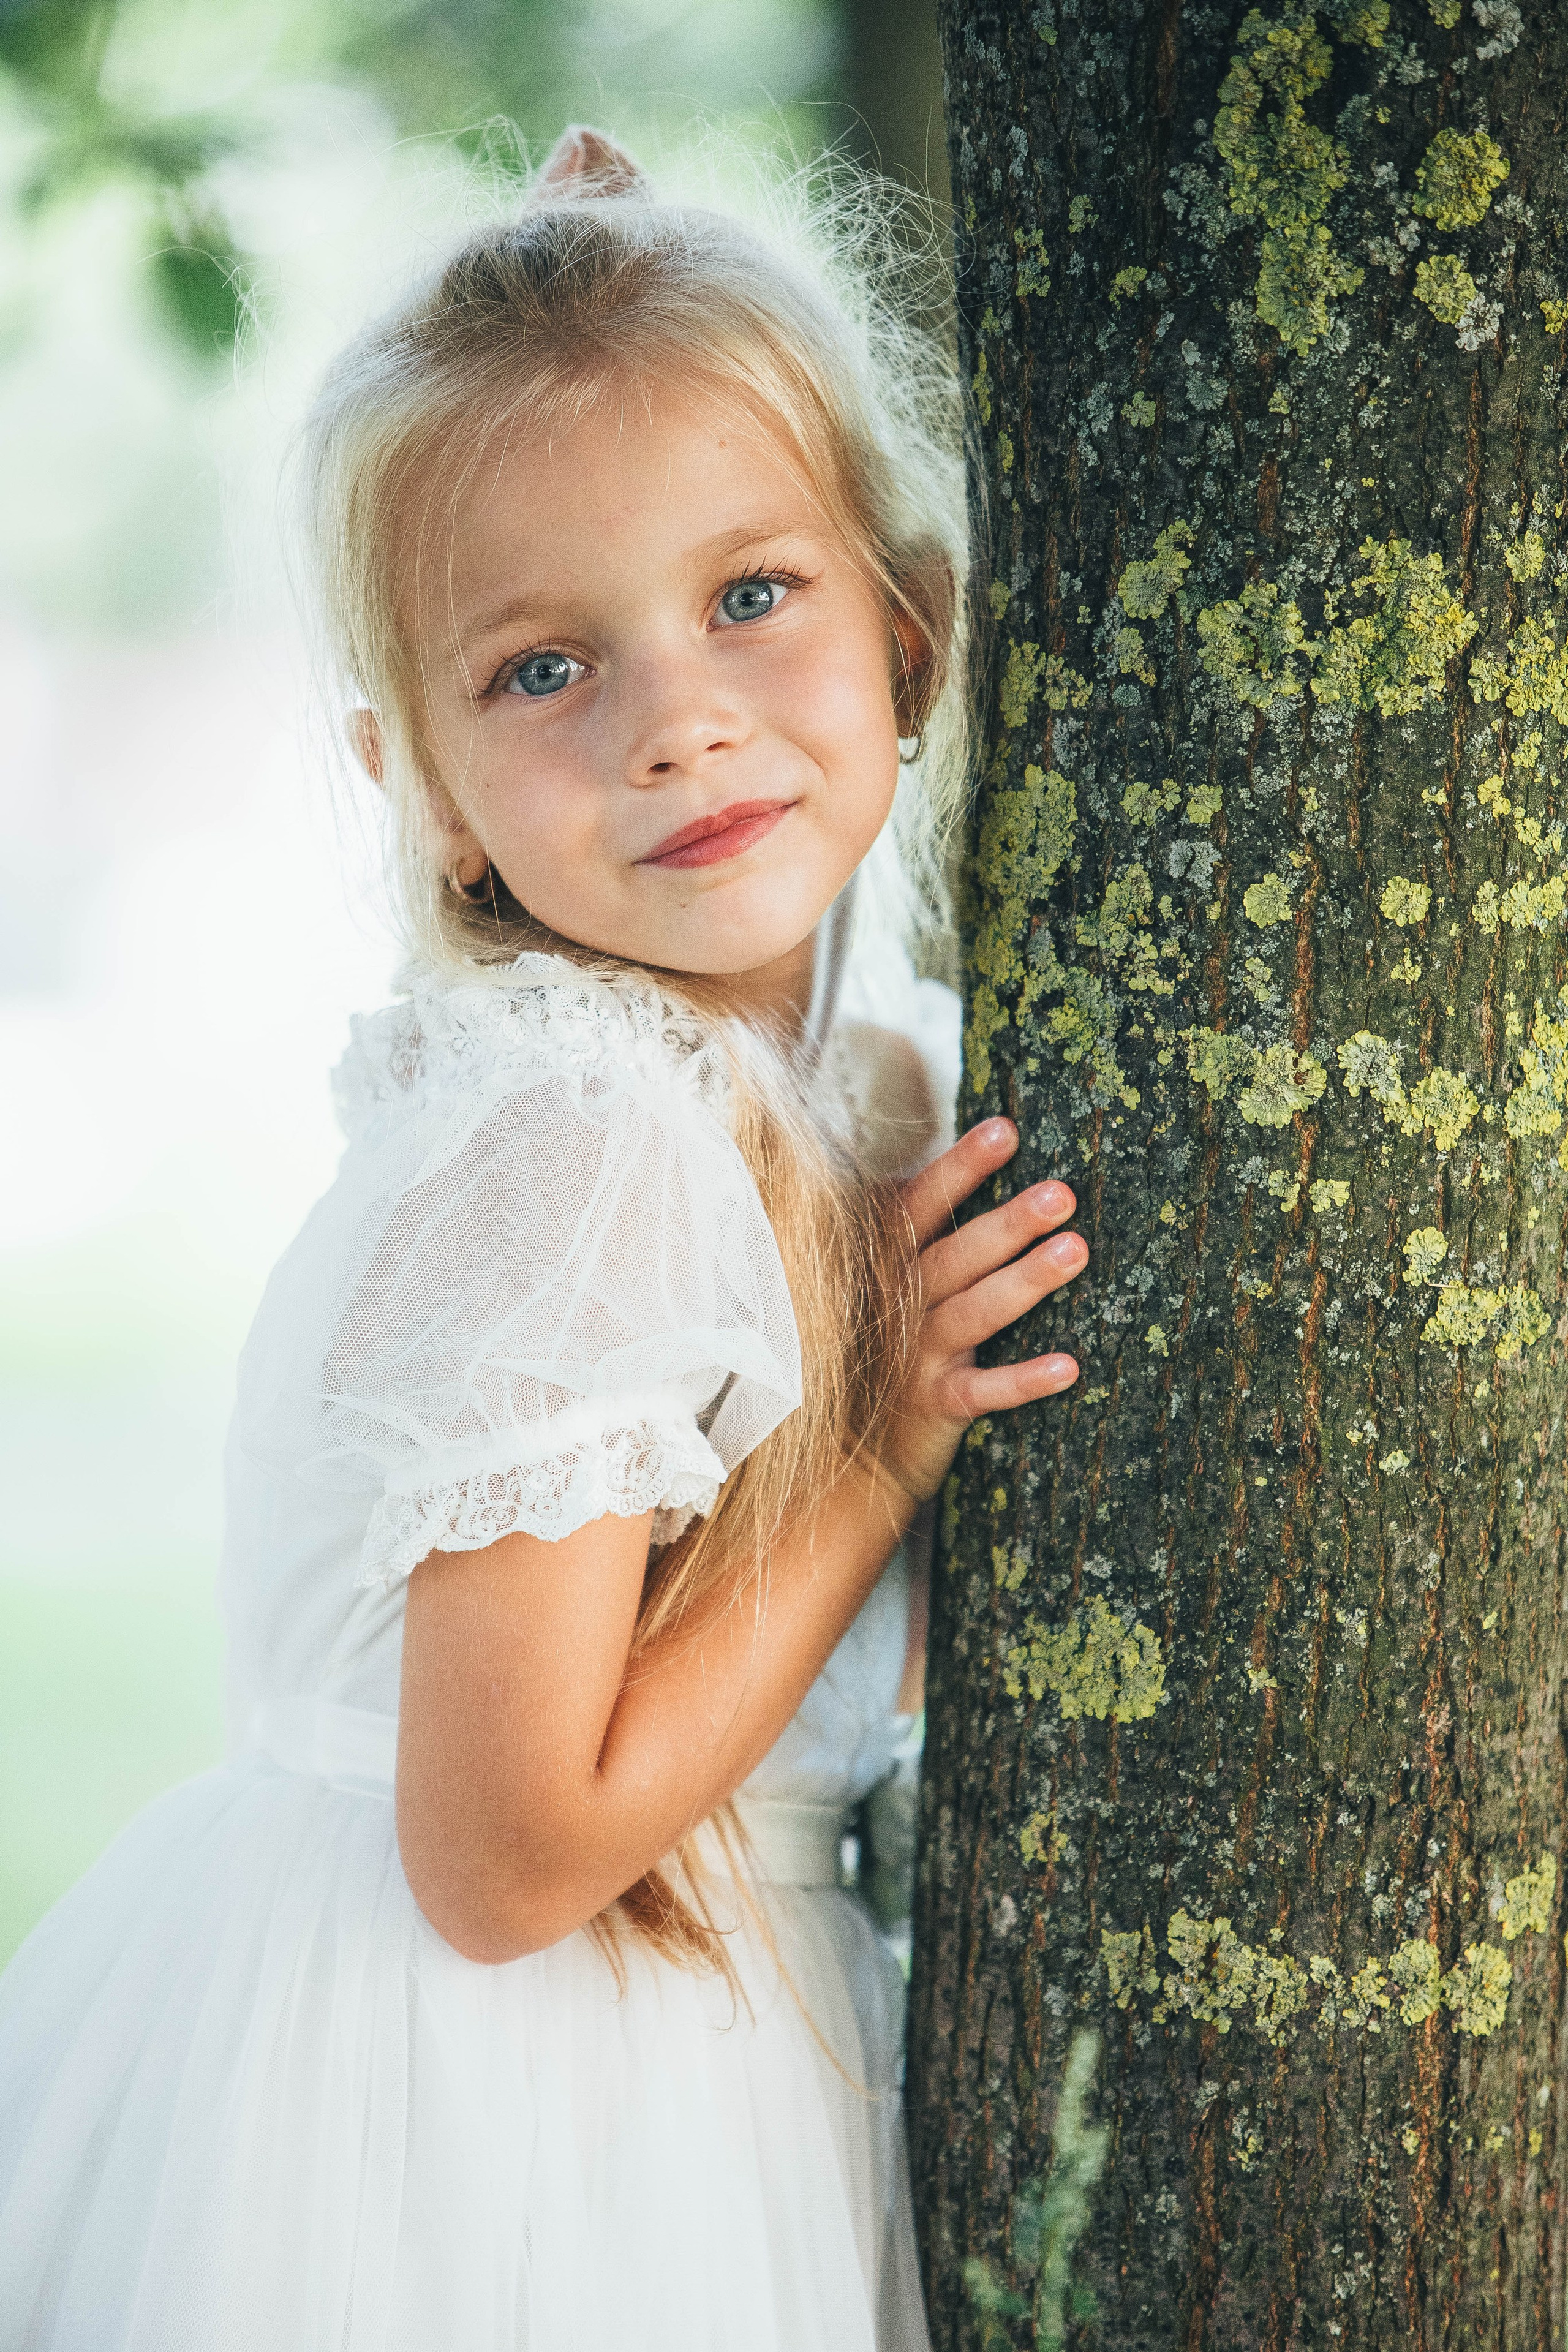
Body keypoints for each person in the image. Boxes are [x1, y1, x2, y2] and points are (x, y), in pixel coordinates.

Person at [0, 126, 1088, 2351]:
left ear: (906, 624)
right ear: (430, 796)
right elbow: (502, 1859)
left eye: (749, 597)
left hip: (684, 2048)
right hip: (477, 2113)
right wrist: (879, 1450)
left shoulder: (861, 1065)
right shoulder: (583, 1131)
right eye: (541, 671)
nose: (678, 716)